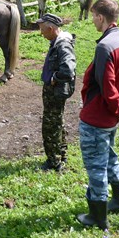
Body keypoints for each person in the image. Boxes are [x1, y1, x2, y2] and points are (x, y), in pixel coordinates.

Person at [77, 0, 119, 230]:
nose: (93, 20)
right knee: (110, 157)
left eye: (94, 16)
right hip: (112, 118)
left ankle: (97, 216)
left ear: (101, 18)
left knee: (96, 166)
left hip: (97, 118)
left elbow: (108, 88)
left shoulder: (104, 47)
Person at [36, 13, 76, 172]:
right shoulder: (56, 42)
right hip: (54, 91)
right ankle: (61, 154)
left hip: (55, 91)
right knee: (57, 122)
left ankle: (54, 162)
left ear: (51, 29)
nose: (41, 33)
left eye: (42, 30)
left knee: (50, 126)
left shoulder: (62, 45)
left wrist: (55, 77)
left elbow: (68, 69)